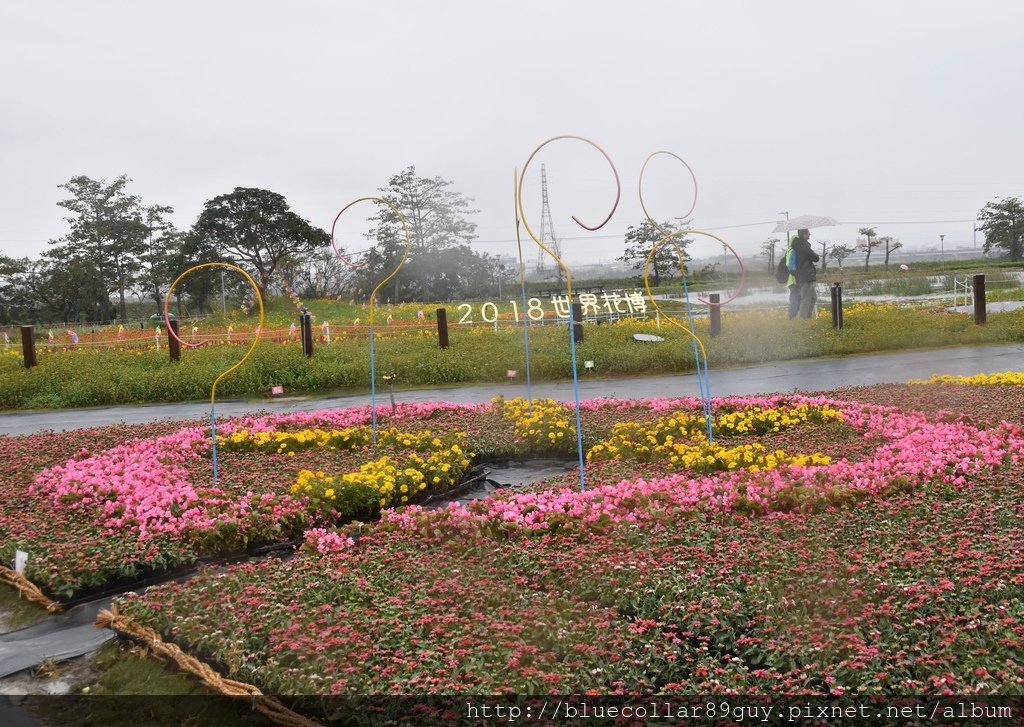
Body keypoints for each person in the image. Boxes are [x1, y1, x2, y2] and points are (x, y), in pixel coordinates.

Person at [786, 228, 820, 319]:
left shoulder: (798, 245)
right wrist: (813, 253)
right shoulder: (803, 246)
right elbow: (816, 258)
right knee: (806, 299)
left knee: (813, 298)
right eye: (808, 233)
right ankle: (804, 319)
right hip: (806, 276)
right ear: (804, 234)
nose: (809, 235)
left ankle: (807, 317)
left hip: (803, 276)